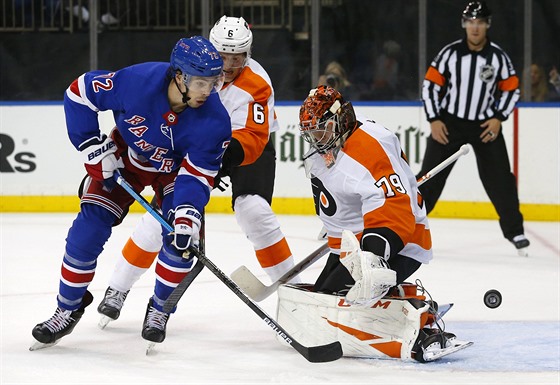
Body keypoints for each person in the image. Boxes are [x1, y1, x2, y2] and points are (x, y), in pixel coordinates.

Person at [95, 15, 299, 329]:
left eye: (238, 56)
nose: (230, 63)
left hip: (242, 150)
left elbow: (254, 139)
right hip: (195, 144)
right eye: (224, 55)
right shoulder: (190, 71)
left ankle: (295, 295)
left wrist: (217, 158)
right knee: (164, 216)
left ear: (248, 53)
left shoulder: (258, 81)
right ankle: (118, 288)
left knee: (254, 210)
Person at [30, 36, 232, 349]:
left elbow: (198, 174)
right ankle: (67, 308)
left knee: (181, 244)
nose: (208, 91)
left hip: (175, 174)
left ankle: (161, 308)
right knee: (86, 231)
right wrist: (91, 147)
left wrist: (187, 214)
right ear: (179, 76)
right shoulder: (137, 82)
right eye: (201, 83)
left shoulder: (216, 121)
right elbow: (79, 93)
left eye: (213, 83)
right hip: (126, 160)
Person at [275, 85, 470, 362]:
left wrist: (374, 254)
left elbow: (394, 207)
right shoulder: (331, 146)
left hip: (400, 241)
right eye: (311, 134)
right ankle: (403, 295)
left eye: (321, 131)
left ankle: (420, 321)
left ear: (340, 120)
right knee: (324, 299)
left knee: (343, 303)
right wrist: (338, 225)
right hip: (357, 243)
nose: (317, 141)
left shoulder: (370, 146)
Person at [416, 1, 530, 256]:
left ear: (487, 25)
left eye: (480, 22)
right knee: (430, 177)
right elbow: (430, 86)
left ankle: (515, 231)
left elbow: (512, 88)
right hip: (449, 123)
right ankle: (406, 225)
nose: (475, 28)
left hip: (484, 125)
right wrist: (434, 119)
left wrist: (499, 118)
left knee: (501, 180)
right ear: (464, 24)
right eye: (471, 22)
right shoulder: (449, 54)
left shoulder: (498, 57)